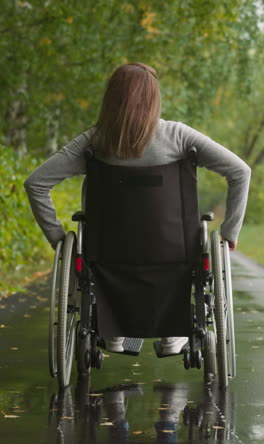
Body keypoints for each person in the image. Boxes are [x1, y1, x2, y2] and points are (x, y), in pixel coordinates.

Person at [24, 63, 251, 354]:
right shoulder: (180, 137)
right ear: (154, 98)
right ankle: (172, 334)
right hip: (174, 253)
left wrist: (58, 239)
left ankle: (113, 331)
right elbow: (240, 172)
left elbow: (36, 183)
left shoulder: (93, 141)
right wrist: (230, 231)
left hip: (107, 254)